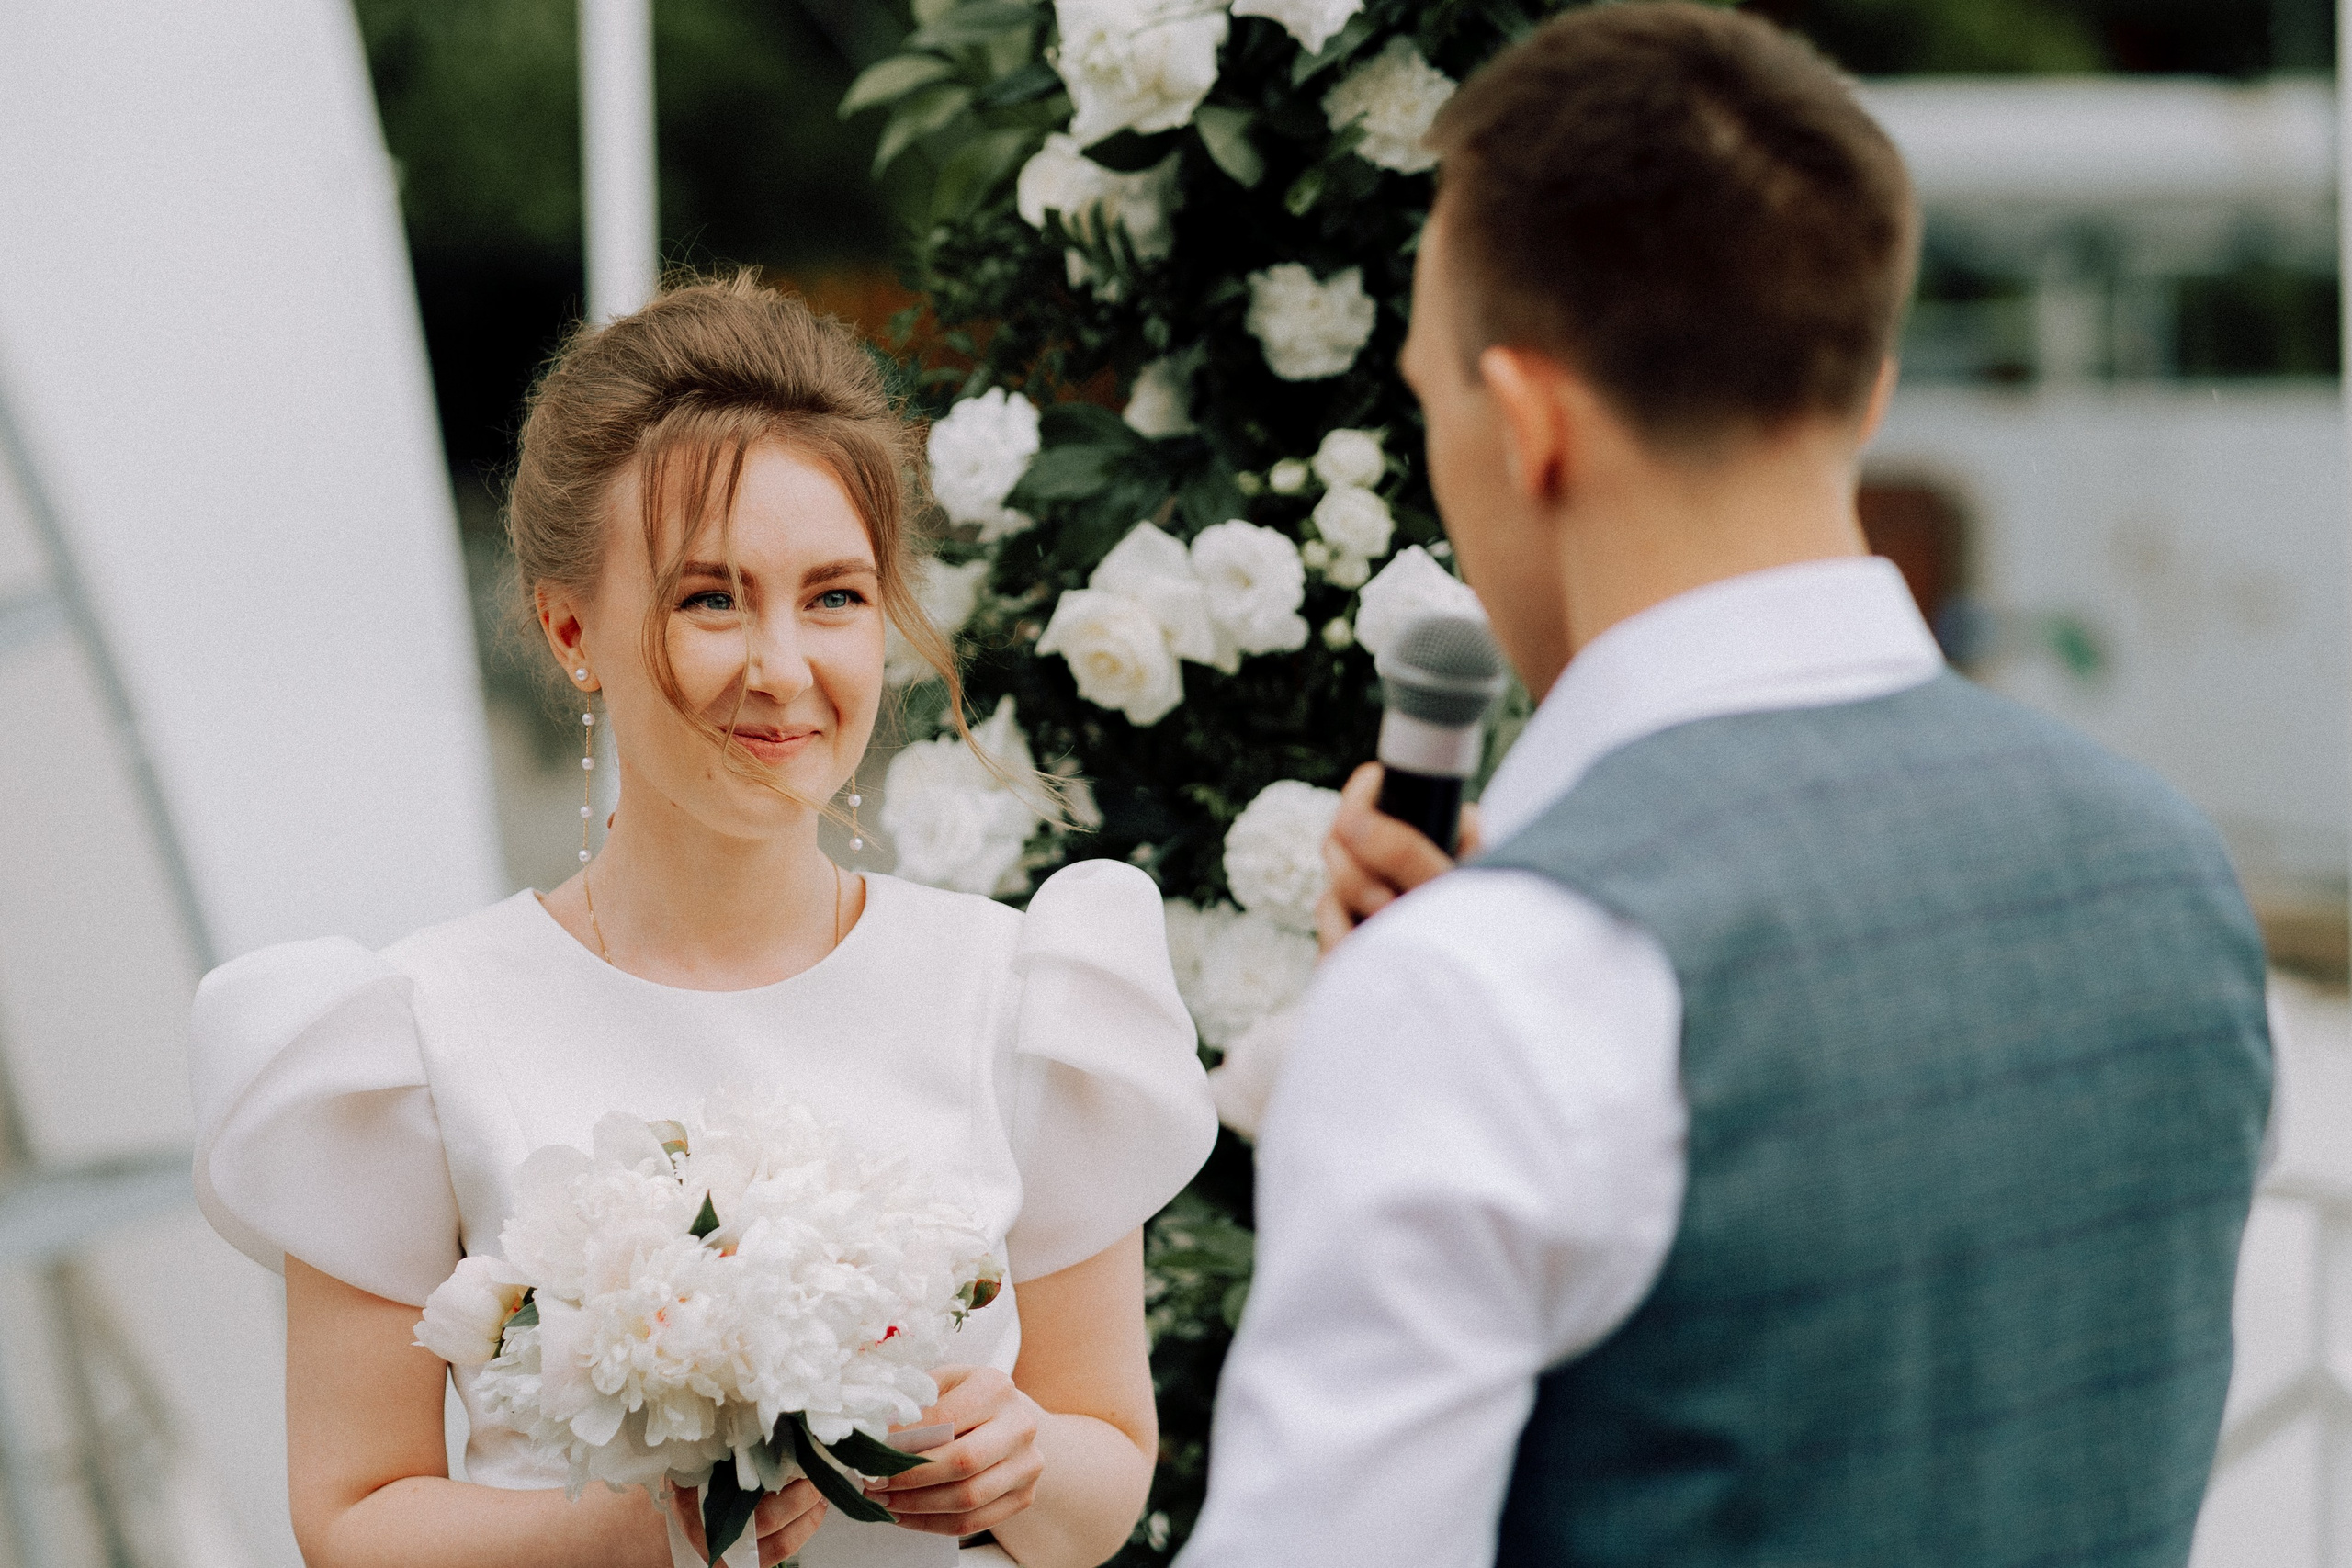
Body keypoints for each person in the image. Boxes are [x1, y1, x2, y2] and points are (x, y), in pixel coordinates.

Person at [1179, 6, 2271, 1566]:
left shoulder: (1495, 993)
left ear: (1533, 424)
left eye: (1432, 403)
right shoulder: (2167, 867)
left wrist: (1416, 1020)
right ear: (1868, 388)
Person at [188, 276, 1216, 1568]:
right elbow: (350, 1516)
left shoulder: (1018, 994)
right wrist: (638, 1532)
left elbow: (1104, 1473)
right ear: (573, 629)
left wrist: (1019, 1460)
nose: (782, 669)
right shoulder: (413, 1032)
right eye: (710, 600)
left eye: (835, 597)